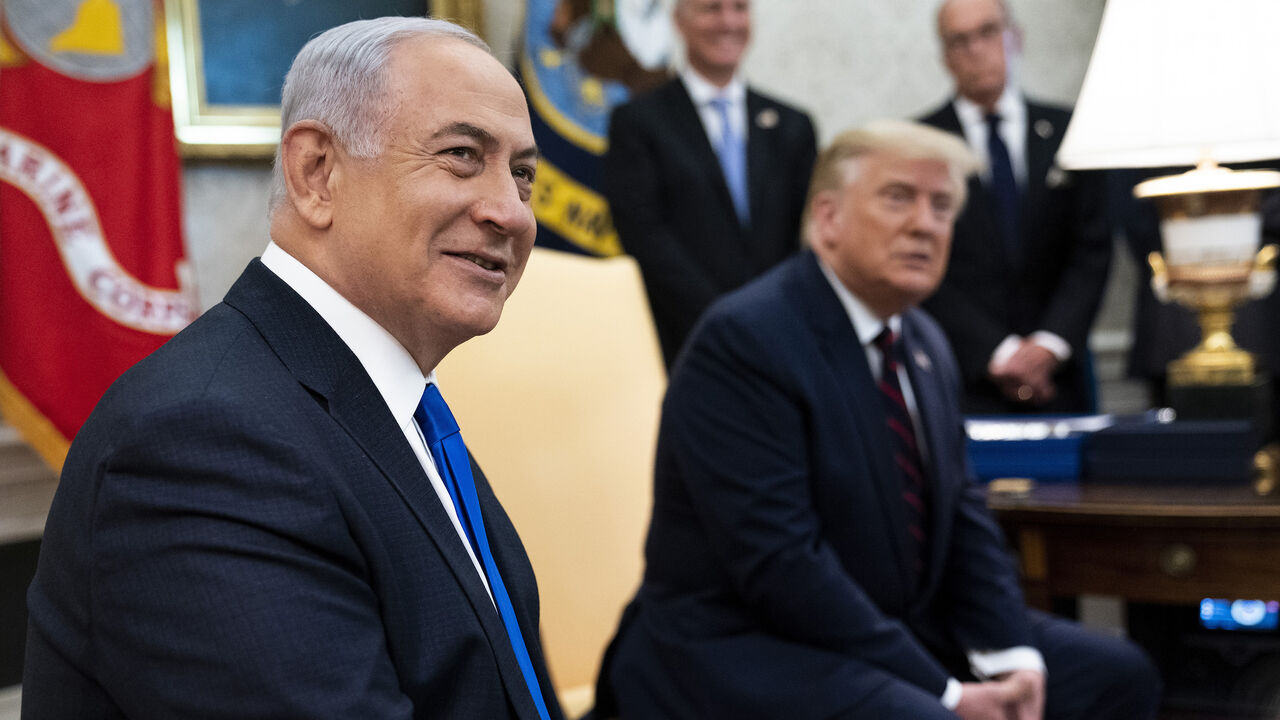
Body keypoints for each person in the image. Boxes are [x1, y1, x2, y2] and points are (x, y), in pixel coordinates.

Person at [22, 18, 563, 720]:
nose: (511, 213)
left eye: (522, 175)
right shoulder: (203, 443)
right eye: (462, 155)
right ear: (317, 174)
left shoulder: (394, 409)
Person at [593, 121, 1160, 719]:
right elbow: (782, 565)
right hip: (742, 646)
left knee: (1115, 677)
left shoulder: (924, 340)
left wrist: (1013, 654)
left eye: (942, 206)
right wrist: (949, 693)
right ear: (828, 217)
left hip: (887, 627)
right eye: (898, 198)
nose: (925, 223)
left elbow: (963, 516)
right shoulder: (744, 340)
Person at [919, 0, 1111, 414]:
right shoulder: (921, 145)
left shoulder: (1068, 132)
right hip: (965, 374)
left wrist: (1048, 346)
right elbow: (921, 260)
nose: (976, 49)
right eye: (959, 40)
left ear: (1015, 37)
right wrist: (998, 352)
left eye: (988, 32)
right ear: (945, 57)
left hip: (1061, 374)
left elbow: (1092, 251)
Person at [604, 0, 817, 368]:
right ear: (680, 22)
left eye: (740, 8)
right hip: (682, 340)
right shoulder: (638, 123)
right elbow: (644, 234)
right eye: (711, 9)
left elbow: (809, 233)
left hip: (784, 334)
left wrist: (776, 315)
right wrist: (724, 318)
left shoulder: (793, 125)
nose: (728, 22)